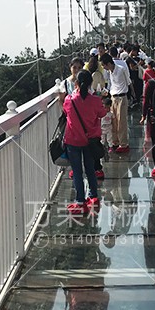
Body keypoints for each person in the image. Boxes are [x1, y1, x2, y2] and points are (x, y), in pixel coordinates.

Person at [63, 69, 107, 213]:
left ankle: (80, 201)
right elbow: (102, 113)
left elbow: (66, 111)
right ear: (90, 84)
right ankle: (93, 197)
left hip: (73, 140)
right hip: (90, 141)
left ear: (76, 83)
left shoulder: (69, 100)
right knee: (90, 169)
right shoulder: (95, 100)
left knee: (77, 172)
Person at [100, 53, 131, 153]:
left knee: (121, 121)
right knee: (113, 121)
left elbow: (128, 82)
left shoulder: (122, 69)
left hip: (122, 97)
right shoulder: (109, 72)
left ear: (108, 63)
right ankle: (115, 141)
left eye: (103, 65)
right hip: (113, 97)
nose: (103, 67)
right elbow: (111, 84)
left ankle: (124, 144)